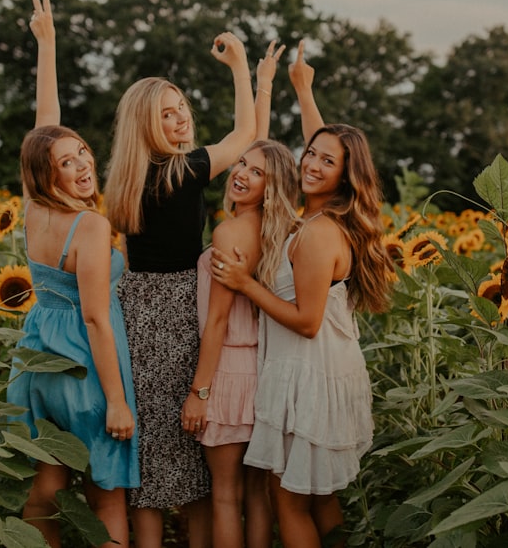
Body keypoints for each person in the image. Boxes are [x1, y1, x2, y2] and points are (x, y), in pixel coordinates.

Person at [211, 40, 391, 548]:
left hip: (307, 374)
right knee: (319, 498)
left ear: (344, 175)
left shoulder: (318, 233)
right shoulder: (316, 216)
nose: (311, 162)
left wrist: (246, 285)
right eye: (310, 153)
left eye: (325, 161)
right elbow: (329, 142)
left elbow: (307, 320)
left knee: (286, 499)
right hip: (317, 370)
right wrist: (301, 89)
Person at [101, 28, 258, 548]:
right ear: (147, 126)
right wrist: (240, 67)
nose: (181, 117)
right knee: (192, 464)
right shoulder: (180, 171)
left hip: (135, 309)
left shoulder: (126, 180)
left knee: (148, 467)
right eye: (166, 114)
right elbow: (245, 137)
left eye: (181, 107)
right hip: (177, 311)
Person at [7, 0, 138, 548]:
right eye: (69, 162)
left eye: (83, 152)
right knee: (106, 492)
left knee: (47, 483)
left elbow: (46, 126)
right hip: (85, 365)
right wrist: (115, 398)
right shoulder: (88, 227)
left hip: (38, 355)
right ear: (50, 173)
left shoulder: (35, 207)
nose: (84, 164)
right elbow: (97, 319)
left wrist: (48, 45)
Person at [179, 43, 288, 548]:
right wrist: (261, 83)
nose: (240, 173)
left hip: (225, 373)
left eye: (253, 172)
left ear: (270, 186)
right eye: (239, 164)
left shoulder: (228, 234)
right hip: (263, 372)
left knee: (223, 494)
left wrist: (200, 392)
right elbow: (266, 154)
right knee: (257, 495)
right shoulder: (280, 229)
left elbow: (217, 322)